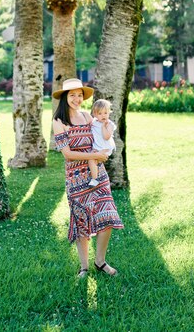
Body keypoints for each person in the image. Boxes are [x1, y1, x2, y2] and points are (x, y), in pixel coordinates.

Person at [52, 78, 124, 278]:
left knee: (107, 215)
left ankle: (100, 262)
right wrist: (94, 155)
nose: (77, 99)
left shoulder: (87, 116)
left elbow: (102, 134)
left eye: (80, 95)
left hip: (98, 175)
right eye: (72, 95)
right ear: (65, 97)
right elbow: (67, 154)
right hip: (76, 179)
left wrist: (107, 130)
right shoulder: (59, 122)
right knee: (81, 222)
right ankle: (84, 267)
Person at [87, 99, 116, 187]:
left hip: (105, 148)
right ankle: (93, 173)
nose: (103, 116)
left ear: (109, 112)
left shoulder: (109, 124)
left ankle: (95, 179)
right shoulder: (94, 122)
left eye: (105, 113)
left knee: (92, 159)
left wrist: (103, 127)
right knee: (92, 160)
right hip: (98, 147)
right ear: (95, 114)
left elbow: (106, 137)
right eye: (100, 113)